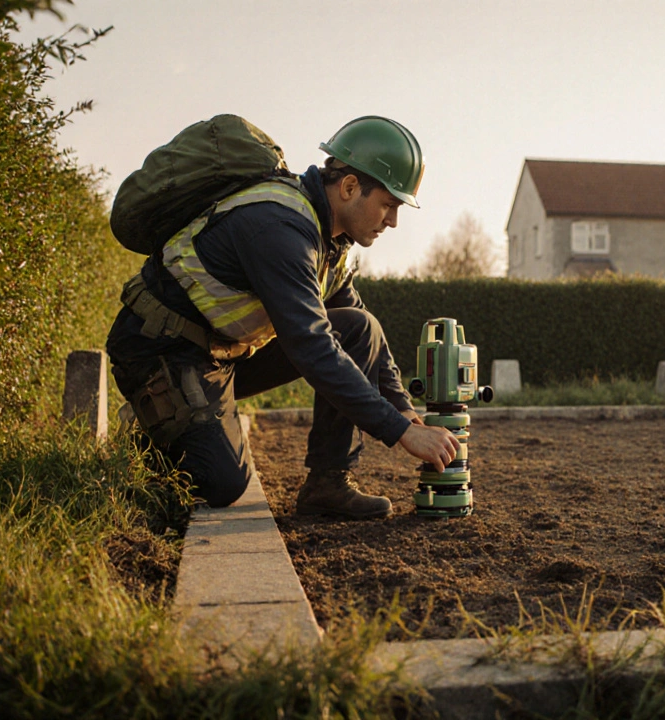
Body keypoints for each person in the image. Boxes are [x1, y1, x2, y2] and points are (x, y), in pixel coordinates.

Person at [106, 116, 459, 518]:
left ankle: (328, 485)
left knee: (361, 329)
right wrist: (401, 433)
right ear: (348, 188)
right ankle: (151, 425)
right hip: (161, 351)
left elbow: (358, 324)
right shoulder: (280, 227)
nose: (392, 221)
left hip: (219, 356)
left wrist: (404, 409)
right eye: (389, 205)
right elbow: (312, 346)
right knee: (222, 483)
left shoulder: (329, 241)